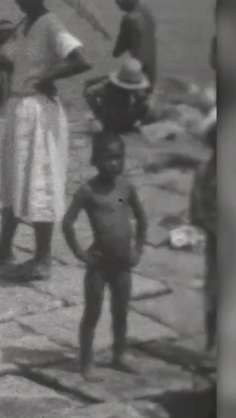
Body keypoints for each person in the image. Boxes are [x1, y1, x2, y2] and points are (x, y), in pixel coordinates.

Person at [0, 0, 92, 282]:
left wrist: (48, 77)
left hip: (40, 113)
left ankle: (43, 257)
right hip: (19, 109)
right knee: (12, 178)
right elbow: (25, 68)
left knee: (40, 181)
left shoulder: (51, 24)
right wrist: (0, 64)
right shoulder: (25, 25)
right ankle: (3, 247)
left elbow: (81, 61)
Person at [61, 133, 148, 380]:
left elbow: (142, 220)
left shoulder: (125, 188)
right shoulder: (87, 191)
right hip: (99, 265)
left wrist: (138, 250)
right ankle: (86, 362)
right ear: (95, 160)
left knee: (121, 312)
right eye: (107, 158)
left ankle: (119, 354)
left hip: (122, 265)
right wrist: (80, 253)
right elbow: (67, 223)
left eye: (118, 158)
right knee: (93, 313)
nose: (113, 163)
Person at [190, 109, 217, 355]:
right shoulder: (205, 172)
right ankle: (212, 344)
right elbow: (197, 209)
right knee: (214, 293)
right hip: (217, 240)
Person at [83, 58, 151, 134]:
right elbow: (89, 92)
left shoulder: (139, 90)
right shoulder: (108, 86)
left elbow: (144, 104)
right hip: (109, 120)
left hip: (128, 121)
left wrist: (141, 115)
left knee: (145, 103)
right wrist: (97, 112)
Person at [112, 0, 158, 89]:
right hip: (151, 79)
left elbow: (116, 53)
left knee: (91, 87)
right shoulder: (147, 13)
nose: (118, 1)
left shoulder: (129, 19)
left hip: (138, 81)